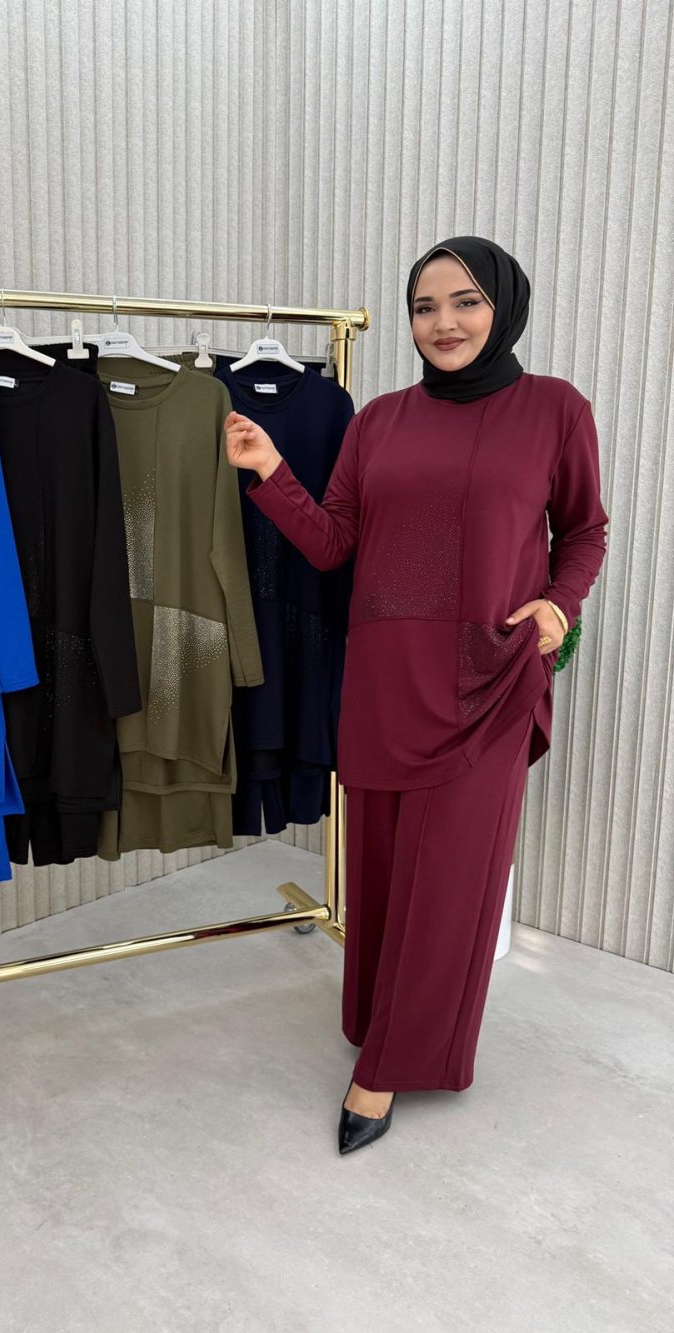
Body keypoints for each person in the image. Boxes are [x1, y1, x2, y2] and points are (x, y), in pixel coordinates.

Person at [224, 236, 609, 1155]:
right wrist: (271, 471)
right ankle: (379, 1022)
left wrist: (558, 606)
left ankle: (387, 1066)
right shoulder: (380, 421)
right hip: (386, 680)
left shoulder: (555, 409)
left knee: (450, 885)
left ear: (503, 307)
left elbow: (584, 530)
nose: (443, 322)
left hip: (488, 677)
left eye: (465, 300)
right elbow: (333, 543)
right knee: (384, 874)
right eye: (424, 306)